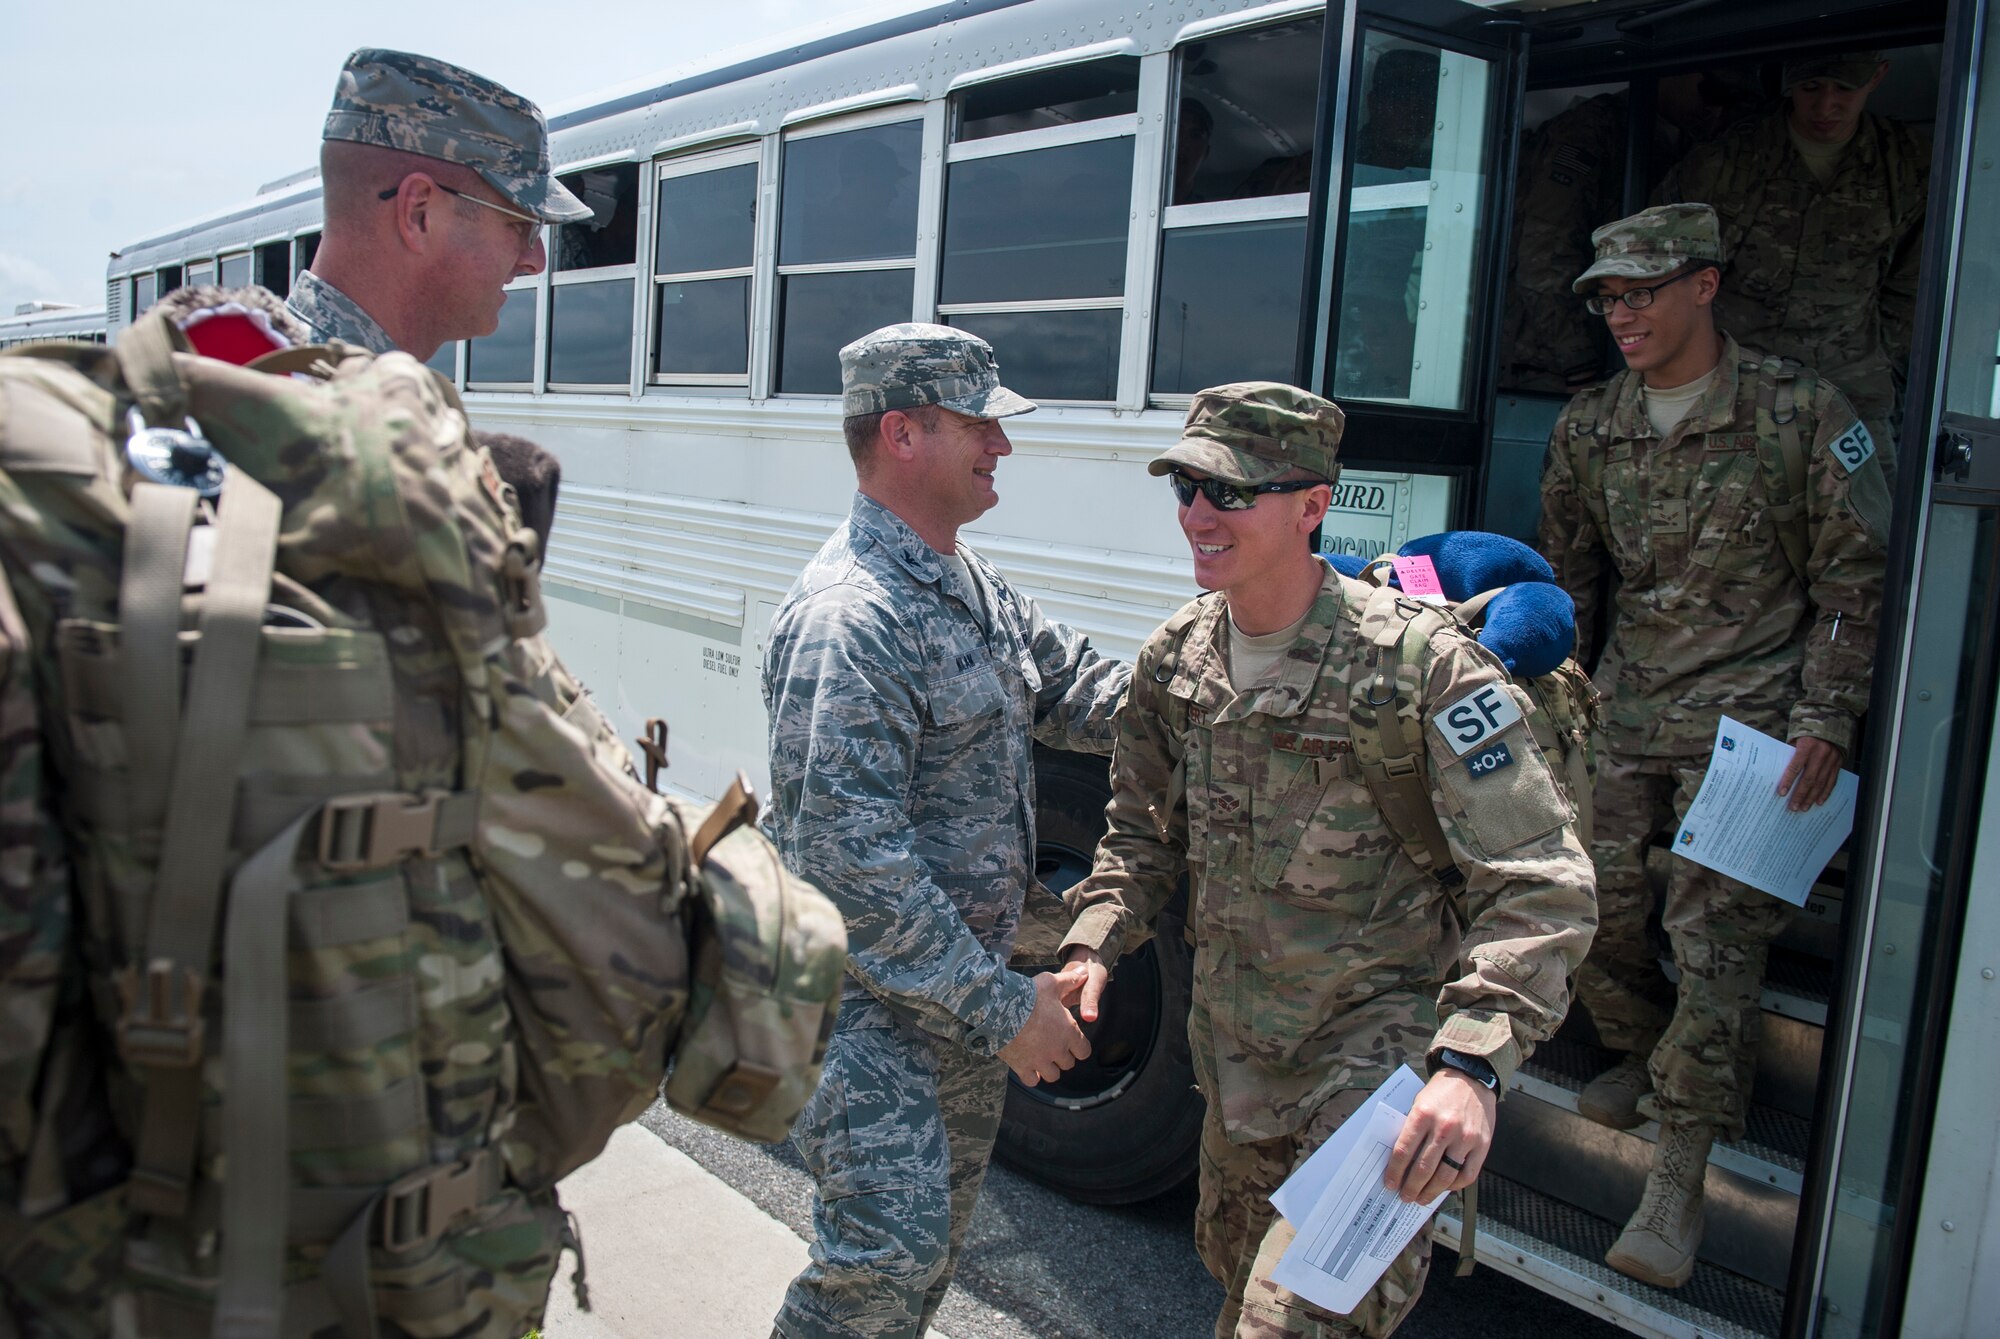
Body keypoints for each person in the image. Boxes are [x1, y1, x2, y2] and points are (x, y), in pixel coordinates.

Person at [1057, 382, 1597, 1339]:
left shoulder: (1418, 667)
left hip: (1379, 1075)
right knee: (1235, 1282)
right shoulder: (1177, 661)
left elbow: (1541, 880)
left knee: (1285, 1324)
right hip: (1233, 1070)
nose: (1197, 516)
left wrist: (1471, 1065)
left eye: (1230, 493)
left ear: (1313, 506)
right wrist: (1096, 942)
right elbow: (1140, 838)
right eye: (1185, 487)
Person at [1538, 204, 1891, 1287]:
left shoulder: (1797, 410)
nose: (1621, 313)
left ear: (1706, 285)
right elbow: (1569, 585)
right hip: (1630, 701)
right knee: (1578, 893)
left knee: (1712, 926)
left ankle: (1675, 1176)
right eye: (1606, 296)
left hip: (1757, 720)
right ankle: (1647, 1048)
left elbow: (1852, 579)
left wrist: (1825, 718)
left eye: (1643, 290)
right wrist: (1557, 704)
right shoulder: (1589, 425)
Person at [761, 324, 1129, 1339]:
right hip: (865, 1010)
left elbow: (1081, 691)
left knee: (921, 1275)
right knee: (883, 1259)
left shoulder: (967, 584)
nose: (1001, 447)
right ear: (902, 433)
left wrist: (1249, 659)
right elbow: (849, 864)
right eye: (979, 425)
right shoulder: (852, 615)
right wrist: (1004, 1007)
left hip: (955, 1009)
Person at [1658, 51, 1928, 473]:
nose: (1825, 106)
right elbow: (1666, 277)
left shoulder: (1910, 165)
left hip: (1851, 387)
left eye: (1844, 89)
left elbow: (1913, 284)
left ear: (1878, 77)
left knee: (1866, 528)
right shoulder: (1724, 162)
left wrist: (1881, 357)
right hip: (1735, 387)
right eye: (1810, 88)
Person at [287, 47, 591, 358]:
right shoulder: (345, 398)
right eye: (518, 225)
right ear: (419, 214)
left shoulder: (284, 373)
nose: (536, 261)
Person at [1502, 73, 1737, 393]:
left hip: (1625, 354)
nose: (1713, 108)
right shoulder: (1596, 130)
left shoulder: (1687, 140)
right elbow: (1542, 253)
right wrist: (1578, 362)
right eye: (1708, 90)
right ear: (1676, 74)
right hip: (1550, 364)